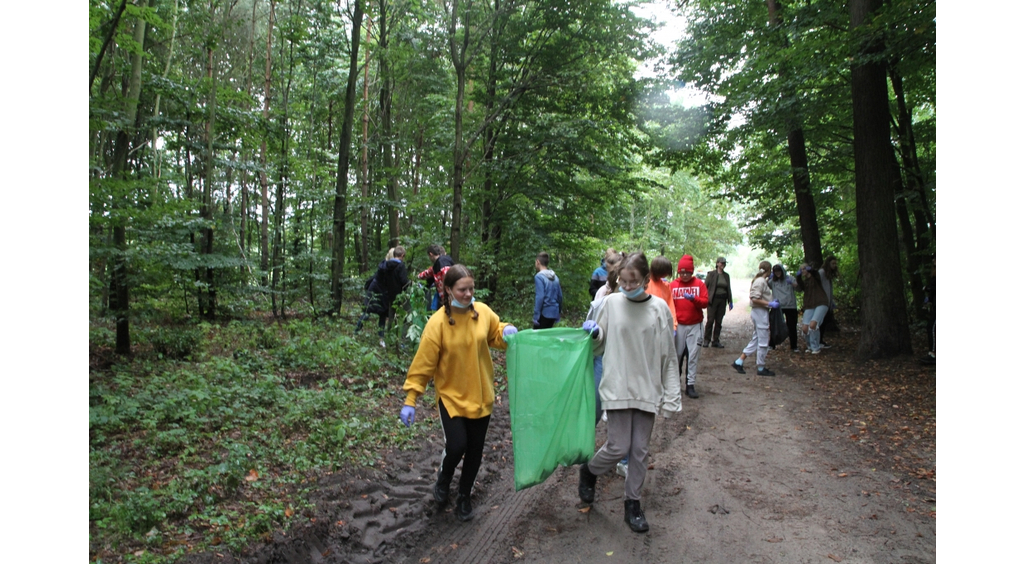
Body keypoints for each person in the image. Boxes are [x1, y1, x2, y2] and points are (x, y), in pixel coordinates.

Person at [399, 265, 518, 522]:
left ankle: (464, 496)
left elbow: (496, 333)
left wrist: (506, 331)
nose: (468, 294)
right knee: (456, 446)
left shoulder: (483, 312)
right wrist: (411, 399)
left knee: (475, 451)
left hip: (481, 394)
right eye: (462, 289)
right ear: (448, 290)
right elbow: (423, 364)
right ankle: (444, 477)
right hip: (451, 397)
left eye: (471, 289)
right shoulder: (437, 323)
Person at [578, 252, 681, 534]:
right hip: (618, 384)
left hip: (647, 388)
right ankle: (590, 470)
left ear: (646, 279)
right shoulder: (610, 303)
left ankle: (632, 505)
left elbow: (668, 356)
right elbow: (597, 348)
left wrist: (672, 395)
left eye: (632, 281)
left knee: (639, 451)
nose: (626, 285)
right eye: (622, 280)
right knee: (618, 447)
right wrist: (595, 334)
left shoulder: (660, 309)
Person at [585, 264, 621, 424]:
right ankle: (586, 441)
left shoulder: (643, 307)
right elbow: (591, 336)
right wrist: (595, 333)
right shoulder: (601, 303)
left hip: (626, 363)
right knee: (595, 406)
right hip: (602, 357)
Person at [731, 261, 779, 376]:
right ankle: (761, 367)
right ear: (769, 270)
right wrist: (770, 303)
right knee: (763, 340)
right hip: (760, 311)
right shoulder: (760, 281)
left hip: (761, 311)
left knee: (757, 338)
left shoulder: (761, 281)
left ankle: (739, 361)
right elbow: (754, 298)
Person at [670, 254, 709, 399]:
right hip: (679, 325)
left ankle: (690, 385)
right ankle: (674, 384)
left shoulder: (699, 284)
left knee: (693, 355)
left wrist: (694, 299)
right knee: (677, 355)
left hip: (695, 324)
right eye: (682, 272)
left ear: (692, 272)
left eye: (687, 272)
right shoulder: (673, 285)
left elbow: (705, 302)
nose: (685, 275)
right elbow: (667, 304)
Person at [356, 246, 410, 339]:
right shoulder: (396, 266)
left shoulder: (384, 265)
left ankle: (357, 333)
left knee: (372, 313)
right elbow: (401, 281)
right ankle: (379, 337)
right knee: (377, 314)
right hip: (381, 291)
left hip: (377, 290)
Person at [796, 262, 830, 354]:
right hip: (809, 305)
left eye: (804, 269)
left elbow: (816, 274)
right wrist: (798, 277)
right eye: (801, 269)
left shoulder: (815, 278)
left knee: (813, 325)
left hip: (821, 303)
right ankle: (810, 346)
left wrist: (811, 270)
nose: (802, 271)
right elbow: (800, 287)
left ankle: (816, 347)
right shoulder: (805, 282)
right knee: (805, 328)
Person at [768, 264, 800, 352]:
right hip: (778, 306)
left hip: (790, 305)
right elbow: (766, 286)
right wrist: (768, 278)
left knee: (792, 326)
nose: (778, 273)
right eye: (776, 271)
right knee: (774, 325)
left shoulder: (789, 278)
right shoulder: (772, 281)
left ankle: (794, 346)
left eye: (779, 271)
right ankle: (772, 344)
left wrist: (793, 283)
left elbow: (798, 287)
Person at [703, 257, 733, 348]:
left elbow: (728, 289)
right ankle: (706, 340)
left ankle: (716, 340)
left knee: (719, 321)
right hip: (713, 300)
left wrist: (730, 301)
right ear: (717, 263)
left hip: (722, 300)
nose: (723, 265)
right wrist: (705, 298)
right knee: (710, 320)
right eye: (721, 263)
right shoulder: (711, 274)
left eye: (724, 263)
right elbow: (704, 287)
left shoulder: (726, 276)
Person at [416, 244, 454, 311]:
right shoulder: (437, 265)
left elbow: (447, 276)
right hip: (444, 297)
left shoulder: (443, 262)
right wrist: (417, 277)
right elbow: (428, 273)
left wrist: (448, 293)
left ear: (431, 254)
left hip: (449, 296)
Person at [533, 251, 564, 329]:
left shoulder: (539, 277)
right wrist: (558, 312)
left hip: (544, 313)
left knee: (536, 337)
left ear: (538, 262)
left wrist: (536, 315)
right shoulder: (555, 277)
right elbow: (560, 296)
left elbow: (540, 297)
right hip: (554, 313)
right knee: (547, 336)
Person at [818, 255, 839, 348]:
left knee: (825, 321)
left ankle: (820, 340)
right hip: (822, 302)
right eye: (832, 263)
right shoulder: (822, 273)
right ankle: (818, 341)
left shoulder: (829, 274)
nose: (834, 265)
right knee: (821, 322)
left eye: (835, 263)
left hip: (828, 302)